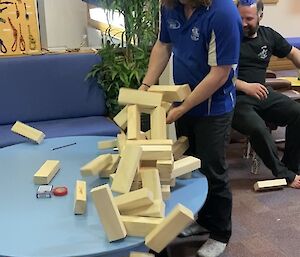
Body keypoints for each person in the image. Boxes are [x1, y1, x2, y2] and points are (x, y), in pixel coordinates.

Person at [140, 0, 242, 256]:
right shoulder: (171, 6)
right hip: (184, 99)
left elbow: (220, 73)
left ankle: (220, 232)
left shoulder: (224, 13)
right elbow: (163, 45)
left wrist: (183, 107)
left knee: (212, 168)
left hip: (214, 106)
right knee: (191, 166)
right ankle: (201, 221)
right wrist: (145, 87)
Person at [233, 0, 300, 188]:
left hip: (262, 93)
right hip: (236, 97)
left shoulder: (268, 35)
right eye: (240, 18)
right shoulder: (229, 36)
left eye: (249, 18)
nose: (244, 23)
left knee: (297, 113)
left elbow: (293, 53)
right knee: (258, 128)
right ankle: (284, 174)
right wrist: (245, 86)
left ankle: (292, 167)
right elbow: (218, 74)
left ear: (260, 17)